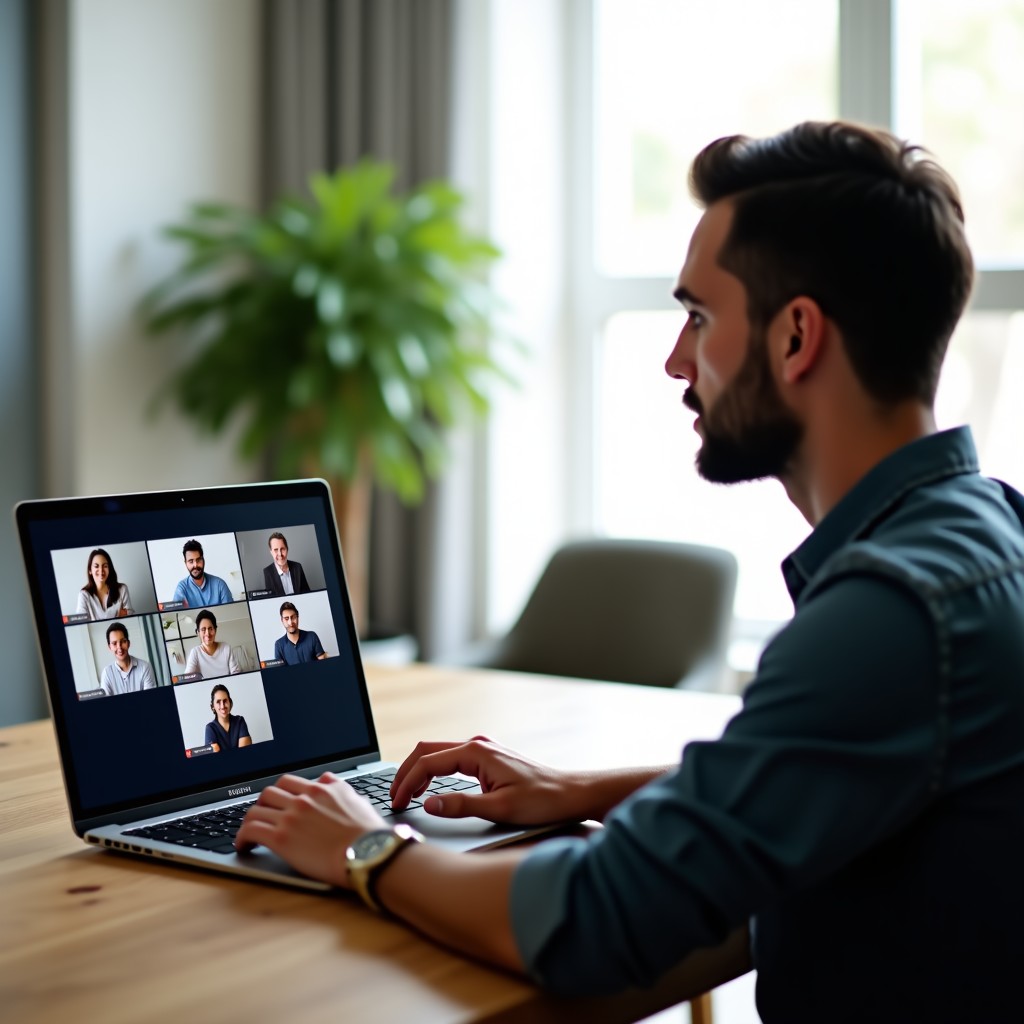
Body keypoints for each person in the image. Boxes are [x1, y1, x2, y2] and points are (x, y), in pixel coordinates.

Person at [234, 122, 1024, 1022]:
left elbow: (594, 922)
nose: (676, 360)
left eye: (699, 317)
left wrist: (366, 850)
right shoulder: (984, 529)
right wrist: (577, 791)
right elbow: (827, 775)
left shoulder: (892, 613)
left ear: (796, 336)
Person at [99, 623, 156, 696]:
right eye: (114, 643)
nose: (119, 647)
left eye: (123, 641)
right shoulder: (107, 673)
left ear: (128, 643)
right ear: (110, 647)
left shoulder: (145, 667)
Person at [172, 540, 234, 608]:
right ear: (185, 563)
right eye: (191, 561)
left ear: (203, 560)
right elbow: (176, 615)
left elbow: (231, 611)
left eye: (198, 560)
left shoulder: (220, 585)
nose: (195, 565)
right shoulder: (182, 588)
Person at [76, 548, 133, 620]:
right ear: (90, 570)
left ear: (109, 569)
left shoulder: (122, 589)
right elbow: (80, 620)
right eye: (96, 566)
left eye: (105, 566)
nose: (101, 570)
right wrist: (118, 613)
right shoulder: (83, 595)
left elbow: (130, 613)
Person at [184, 609, 240, 679]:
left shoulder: (226, 648)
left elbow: (236, 673)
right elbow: (187, 678)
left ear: (215, 630)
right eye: (203, 629)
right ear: (198, 633)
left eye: (210, 629)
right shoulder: (195, 652)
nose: (207, 634)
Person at [204, 684, 251, 752]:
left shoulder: (240, 721)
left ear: (230, 702)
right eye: (218, 702)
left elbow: (244, 754)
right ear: (213, 706)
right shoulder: (210, 728)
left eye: (225, 701)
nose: (222, 706)